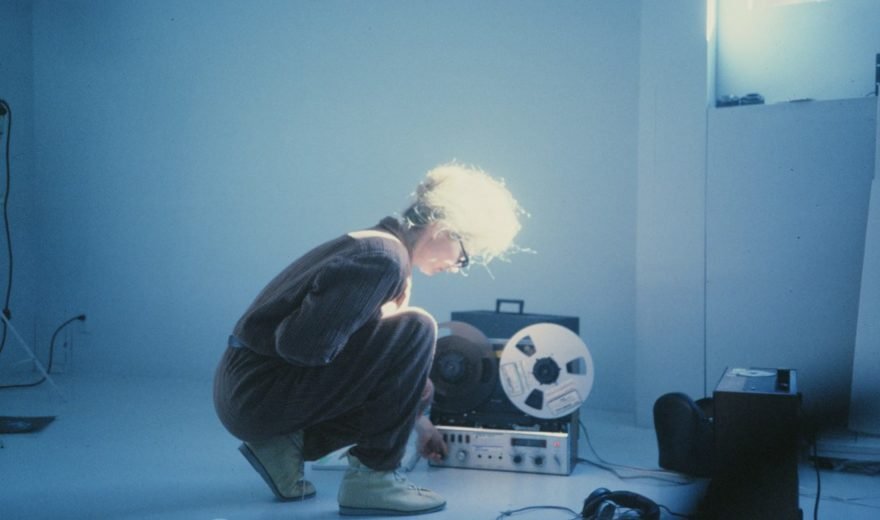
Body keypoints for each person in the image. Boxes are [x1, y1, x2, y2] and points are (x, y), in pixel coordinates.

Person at [213, 162, 525, 516]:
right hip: (255, 394)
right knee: (417, 328)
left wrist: (417, 418)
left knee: (418, 377)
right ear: (444, 230)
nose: (457, 268)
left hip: (247, 389)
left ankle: (283, 449)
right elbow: (300, 346)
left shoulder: (376, 246)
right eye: (464, 257)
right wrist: (385, 347)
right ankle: (373, 480)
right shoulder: (383, 258)